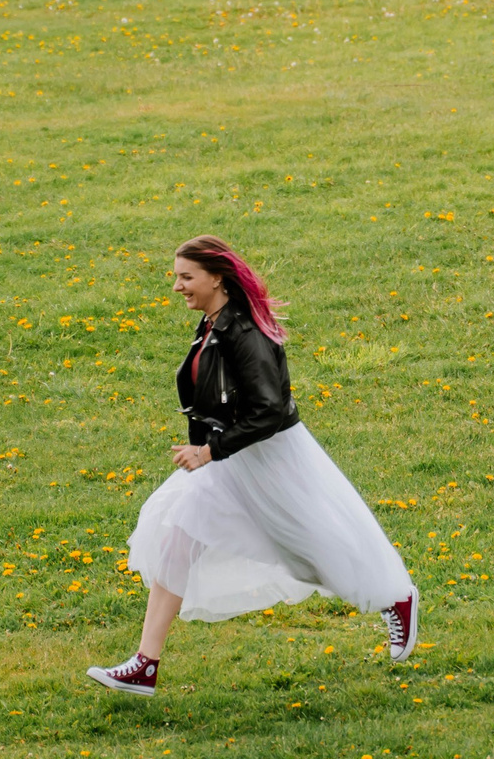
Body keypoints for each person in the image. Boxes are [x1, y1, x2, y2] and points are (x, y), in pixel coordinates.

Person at [89, 236, 418, 698]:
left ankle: (396, 598)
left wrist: (208, 452)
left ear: (216, 278)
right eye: (176, 277)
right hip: (228, 460)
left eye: (186, 277)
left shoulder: (245, 333)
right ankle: (145, 665)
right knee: (174, 534)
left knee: (312, 550)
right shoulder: (212, 323)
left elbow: (268, 411)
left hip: (269, 458)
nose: (177, 287)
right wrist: (205, 450)